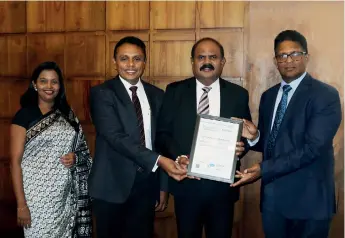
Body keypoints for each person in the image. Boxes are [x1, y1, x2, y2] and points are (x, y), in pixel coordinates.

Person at [232, 30, 342, 238]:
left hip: (309, 203)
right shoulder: (269, 96)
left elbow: (312, 148)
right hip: (274, 202)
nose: (288, 60)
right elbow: (272, 142)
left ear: (306, 57)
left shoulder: (325, 95)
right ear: (275, 61)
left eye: (295, 54)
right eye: (282, 55)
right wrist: (255, 136)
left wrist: (263, 169)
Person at [88, 36, 187, 238]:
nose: (131, 65)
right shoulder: (102, 93)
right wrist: (160, 161)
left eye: (137, 58)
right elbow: (114, 137)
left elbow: (161, 140)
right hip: (111, 186)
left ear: (144, 62)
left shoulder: (157, 95)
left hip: (146, 185)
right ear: (114, 62)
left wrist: (163, 186)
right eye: (124, 59)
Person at [156, 37, 252, 238]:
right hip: (186, 185)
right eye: (201, 57)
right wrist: (178, 157)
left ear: (222, 62)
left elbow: (246, 135)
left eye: (213, 57)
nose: (207, 62)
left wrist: (243, 145)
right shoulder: (175, 91)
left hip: (223, 189)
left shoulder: (238, 94)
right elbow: (162, 135)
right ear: (193, 61)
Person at [10, 61, 93, 238]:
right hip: (35, 199)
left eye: (54, 81)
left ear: (60, 86)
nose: (49, 86)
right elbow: (15, 162)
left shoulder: (68, 115)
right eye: (43, 81)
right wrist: (21, 205)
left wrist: (75, 158)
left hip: (66, 196)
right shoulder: (24, 115)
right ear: (34, 84)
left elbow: (82, 150)